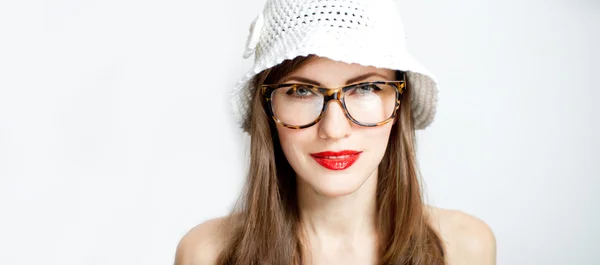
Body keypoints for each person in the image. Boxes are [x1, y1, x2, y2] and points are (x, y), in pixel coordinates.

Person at [175, 0, 496, 264]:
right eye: (301, 91)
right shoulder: (206, 254)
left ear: (400, 103)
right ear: (268, 109)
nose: (334, 128)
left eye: (366, 87)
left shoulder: (466, 248)